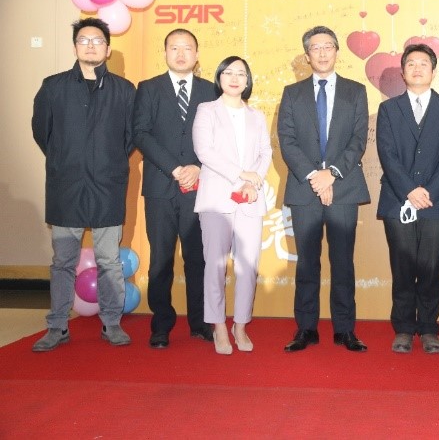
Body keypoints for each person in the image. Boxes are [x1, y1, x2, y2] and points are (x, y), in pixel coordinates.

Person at [31, 17, 135, 351]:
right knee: (63, 262)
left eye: (97, 41)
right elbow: (42, 132)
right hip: (66, 186)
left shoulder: (124, 90)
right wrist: (65, 159)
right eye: (84, 40)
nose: (91, 46)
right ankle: (58, 326)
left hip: (108, 185)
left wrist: (107, 162)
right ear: (75, 46)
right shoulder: (53, 87)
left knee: (109, 261)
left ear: (108, 48)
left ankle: (111, 323)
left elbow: (130, 137)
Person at [278, 25, 370, 353]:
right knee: (307, 262)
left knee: (343, 261)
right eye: (315, 48)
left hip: (343, 186)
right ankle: (306, 328)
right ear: (307, 55)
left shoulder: (355, 91)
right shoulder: (292, 93)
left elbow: (358, 139)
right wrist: (314, 177)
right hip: (305, 189)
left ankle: (345, 329)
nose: (322, 52)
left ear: (336, 51)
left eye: (328, 46)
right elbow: (287, 140)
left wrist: (331, 174)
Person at [376, 44, 439, 354]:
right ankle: (403, 328)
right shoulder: (388, 109)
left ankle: (428, 328)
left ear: (433, 71)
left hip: (437, 203)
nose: (417, 68)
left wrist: (429, 192)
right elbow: (386, 153)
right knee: (402, 268)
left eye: (423, 63)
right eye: (410, 63)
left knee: (430, 267)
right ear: (402, 72)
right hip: (397, 199)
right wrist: (409, 190)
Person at [133, 29, 217, 349]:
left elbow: (219, 137)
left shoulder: (211, 90)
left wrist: (197, 167)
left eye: (187, 48)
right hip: (161, 187)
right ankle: (161, 325)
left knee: (198, 258)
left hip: (200, 187)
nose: (181, 54)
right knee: (160, 260)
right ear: (165, 52)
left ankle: (200, 323)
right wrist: (175, 168)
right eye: (174, 48)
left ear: (197, 54)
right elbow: (141, 134)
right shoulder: (149, 88)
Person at [193, 56, 272, 355]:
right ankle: (218, 326)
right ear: (219, 77)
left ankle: (240, 325)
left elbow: (265, 153)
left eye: (241, 73)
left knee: (248, 267)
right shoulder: (207, 110)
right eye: (228, 72)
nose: (235, 78)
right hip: (217, 199)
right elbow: (204, 151)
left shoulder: (257, 116)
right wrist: (241, 175)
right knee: (215, 265)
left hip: (250, 199)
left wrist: (253, 182)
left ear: (248, 81)